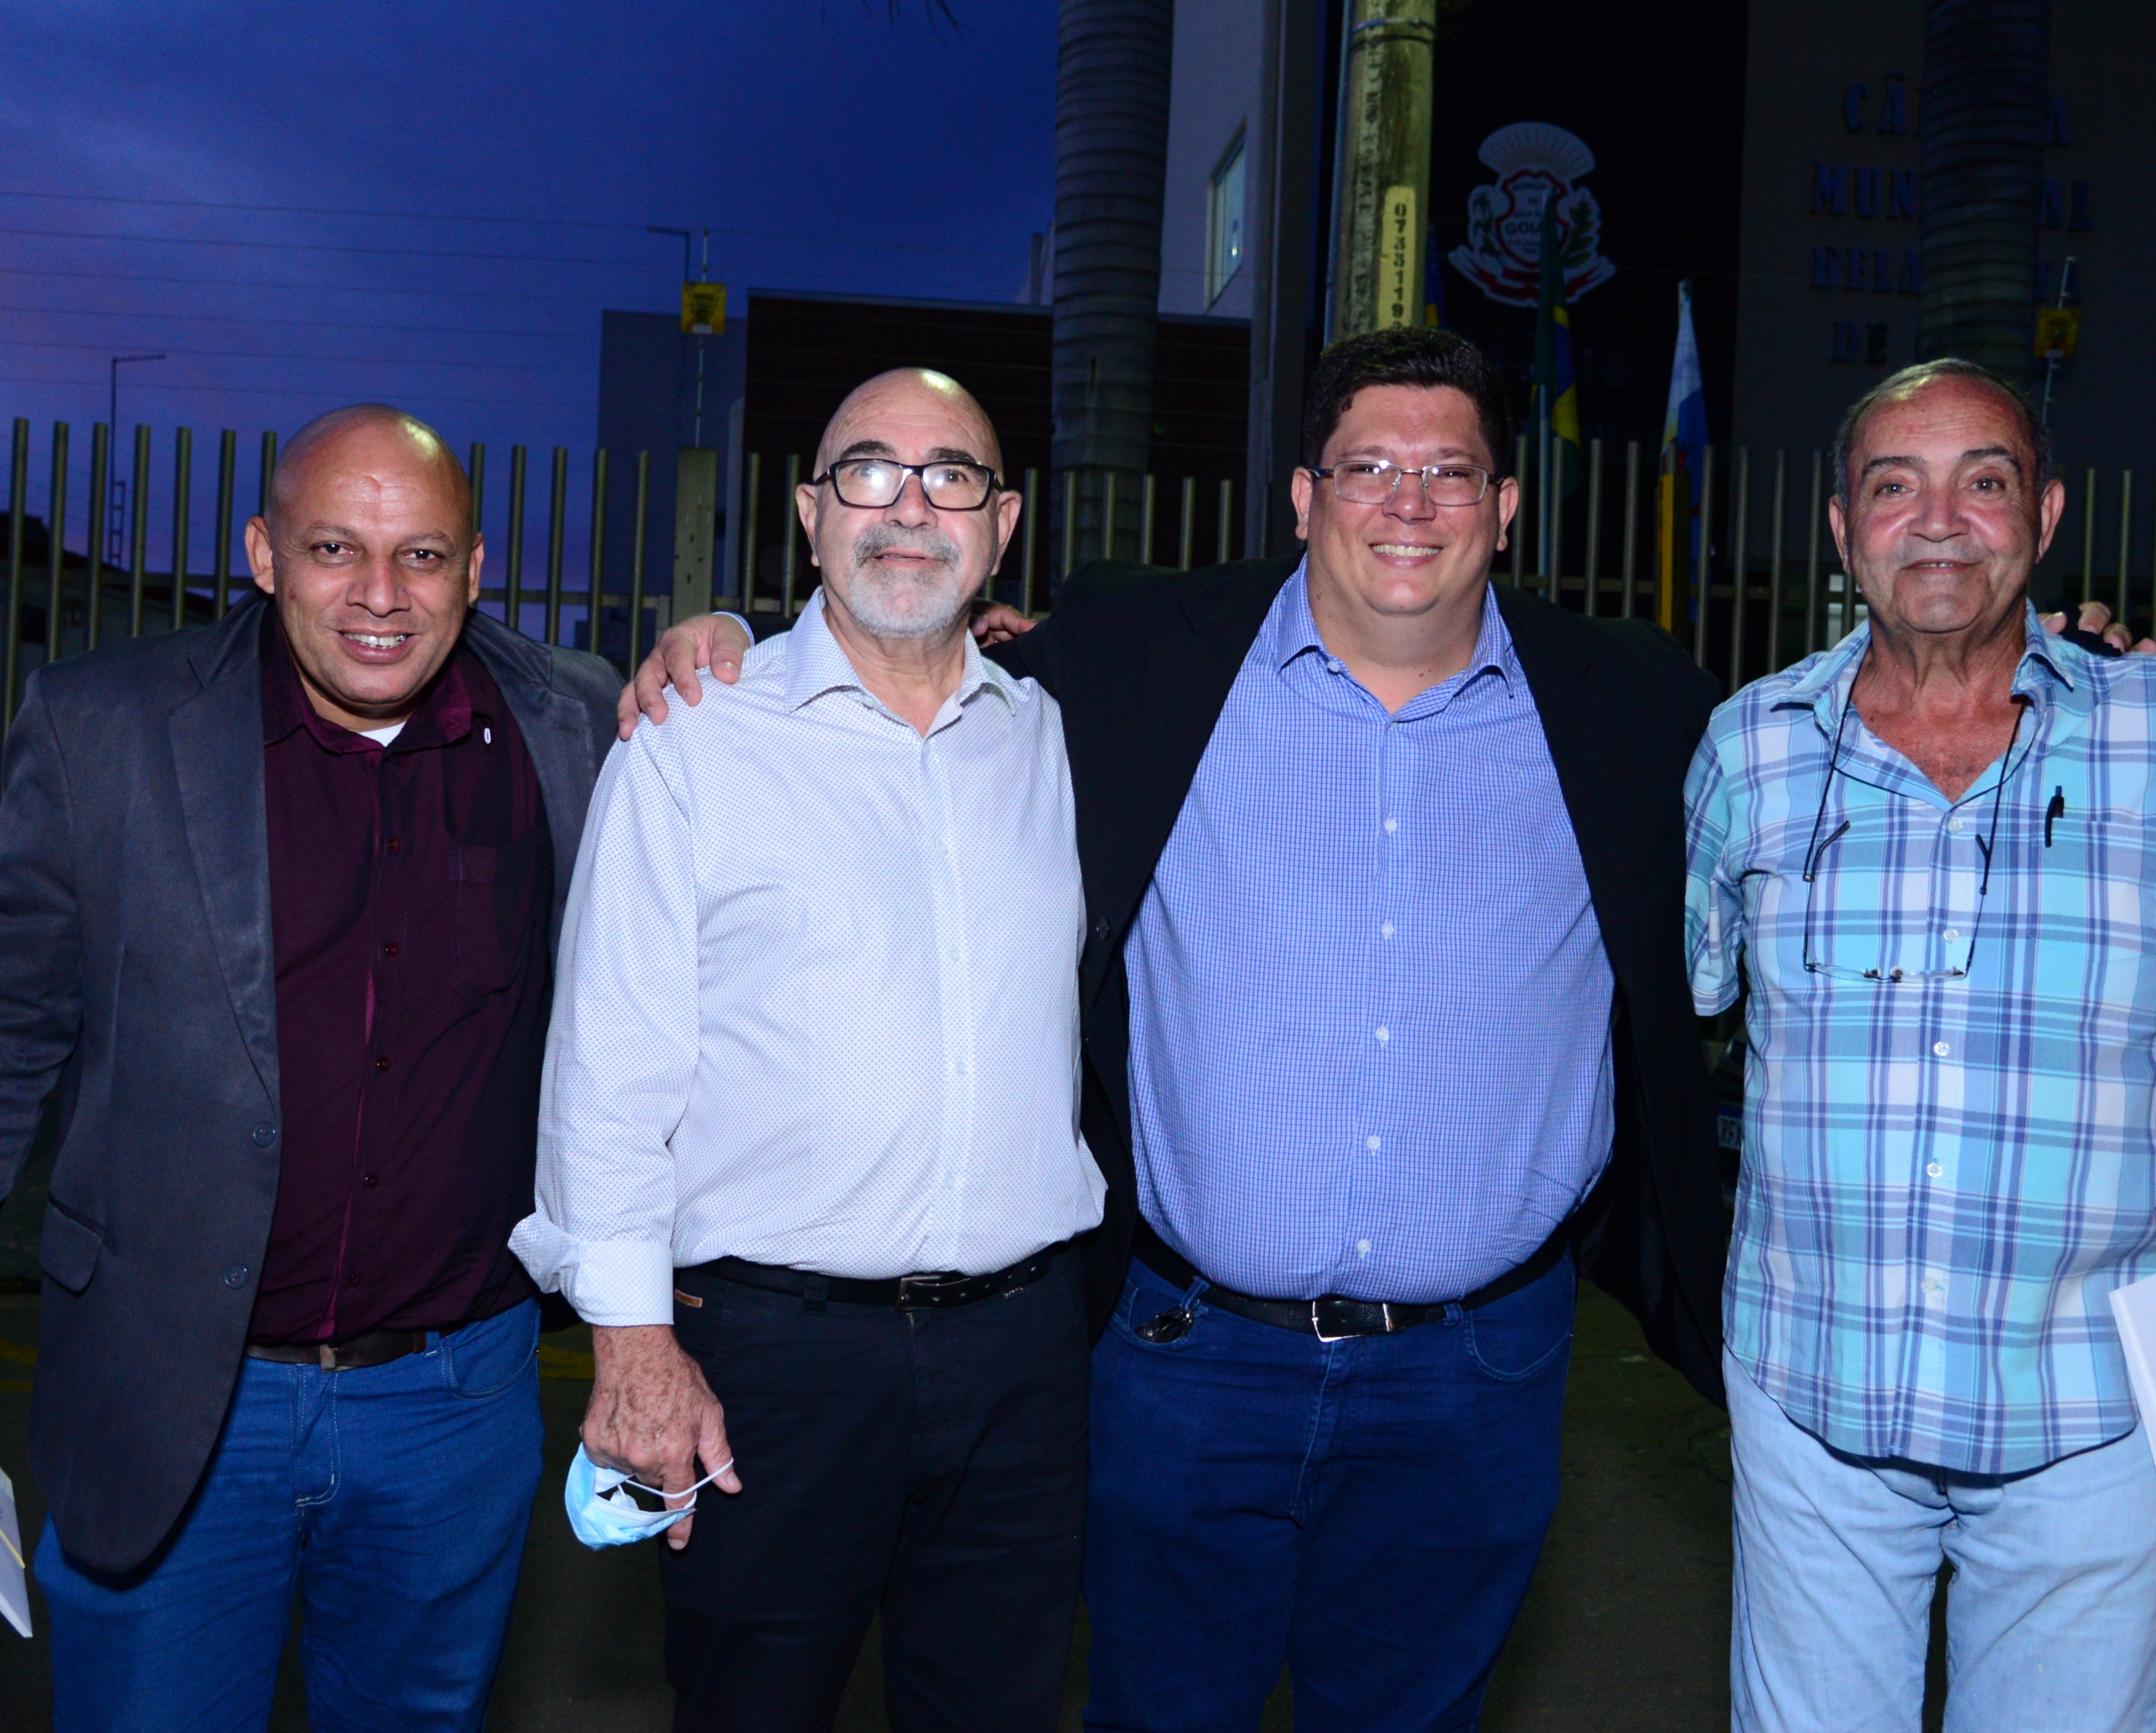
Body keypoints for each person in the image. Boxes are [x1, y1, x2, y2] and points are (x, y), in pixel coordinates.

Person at [637, 328, 1732, 1731]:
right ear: (1303, 495)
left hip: (1477, 1372)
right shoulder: (1141, 658)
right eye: (1367, 468)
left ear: (1505, 506)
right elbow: (901, 634)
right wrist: (730, 638)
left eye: (1450, 472)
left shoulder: (1633, 706)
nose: (1407, 502)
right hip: (1189, 1360)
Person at [0, 406, 626, 1730]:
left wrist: (727, 637)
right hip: (173, 1395)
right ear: (262, 552)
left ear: (476, 568)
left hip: (454, 1399)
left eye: (422, 555)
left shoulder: (581, 723)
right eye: (334, 547)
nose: (380, 595)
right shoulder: (106, 728)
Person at [1685, 359, 2156, 1730]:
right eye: (1895, 485)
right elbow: (1687, 1006)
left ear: (2042, 517)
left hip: (2093, 1411)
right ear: (1842, 530)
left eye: (1981, 480)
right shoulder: (1748, 750)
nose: (1938, 519)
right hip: (1812, 1388)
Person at [513, 367, 1107, 1732]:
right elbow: (608, 1065)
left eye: (951, 476)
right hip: (775, 1359)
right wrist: (633, 1345)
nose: (908, 507)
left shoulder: (1054, 735)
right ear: (809, 512)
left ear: (1002, 524)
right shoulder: (693, 737)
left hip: (1024, 1360)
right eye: (868, 471)